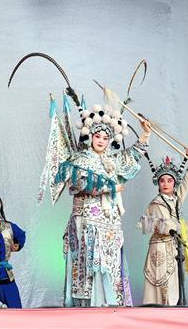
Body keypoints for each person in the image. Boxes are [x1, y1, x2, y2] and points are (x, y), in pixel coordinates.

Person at [42, 100, 151, 307]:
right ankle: (90, 306)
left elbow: (133, 155)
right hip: (87, 221)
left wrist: (145, 134)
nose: (101, 140)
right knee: (90, 264)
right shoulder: (81, 159)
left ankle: (111, 305)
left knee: (110, 263)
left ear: (110, 140)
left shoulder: (112, 160)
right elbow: (79, 184)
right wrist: (110, 187)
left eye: (105, 138)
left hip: (110, 221)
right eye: (97, 136)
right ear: (90, 136)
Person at [139, 148, 188, 305]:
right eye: (162, 181)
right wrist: (178, 228)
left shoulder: (175, 199)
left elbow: (186, 185)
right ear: (158, 183)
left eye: (169, 181)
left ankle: (172, 307)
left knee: (173, 281)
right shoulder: (156, 203)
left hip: (173, 246)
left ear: (174, 183)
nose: (165, 184)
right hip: (159, 246)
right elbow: (157, 225)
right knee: (161, 280)